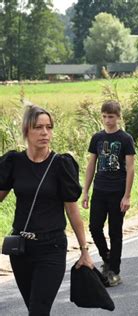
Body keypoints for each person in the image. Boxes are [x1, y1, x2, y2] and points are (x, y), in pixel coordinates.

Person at [0, 105, 94, 315]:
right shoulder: (14, 162)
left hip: (51, 248)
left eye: (49, 127)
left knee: (38, 311)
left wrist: (84, 251)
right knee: (35, 309)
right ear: (26, 130)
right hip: (21, 250)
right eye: (38, 127)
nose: (45, 133)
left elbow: (72, 211)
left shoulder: (60, 164)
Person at [82, 100, 136, 286]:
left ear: (118, 116)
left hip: (117, 191)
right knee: (94, 227)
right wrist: (85, 191)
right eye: (104, 116)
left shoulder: (125, 139)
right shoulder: (97, 138)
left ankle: (114, 271)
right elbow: (91, 165)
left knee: (115, 231)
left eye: (111, 117)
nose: (107, 120)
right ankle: (107, 256)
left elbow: (130, 169)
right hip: (99, 189)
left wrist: (127, 195)